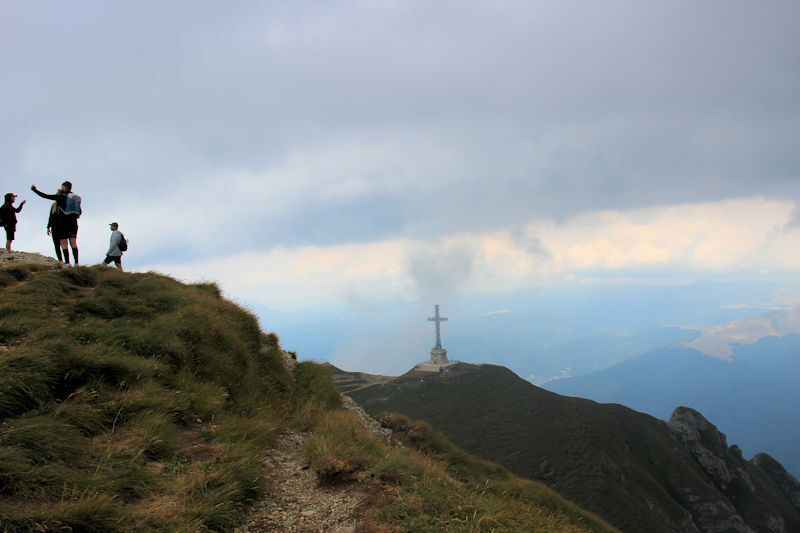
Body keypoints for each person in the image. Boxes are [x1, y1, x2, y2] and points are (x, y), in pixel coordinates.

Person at [31, 181, 80, 265]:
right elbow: (80, 212)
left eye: (62, 187)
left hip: (62, 224)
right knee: (74, 243)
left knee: (64, 244)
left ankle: (67, 263)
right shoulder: (75, 198)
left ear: (64, 187)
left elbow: (45, 196)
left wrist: (34, 190)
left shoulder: (60, 197)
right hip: (73, 223)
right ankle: (76, 262)